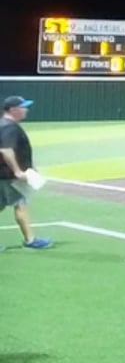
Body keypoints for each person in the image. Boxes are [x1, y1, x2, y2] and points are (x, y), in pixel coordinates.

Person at [0, 95, 52, 249]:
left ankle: (30, 239)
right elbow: (6, 150)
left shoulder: (3, 124)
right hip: (8, 175)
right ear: (13, 110)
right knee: (20, 204)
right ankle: (30, 240)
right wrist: (17, 171)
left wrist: (30, 167)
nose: (26, 110)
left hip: (3, 173)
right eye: (23, 107)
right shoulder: (9, 127)